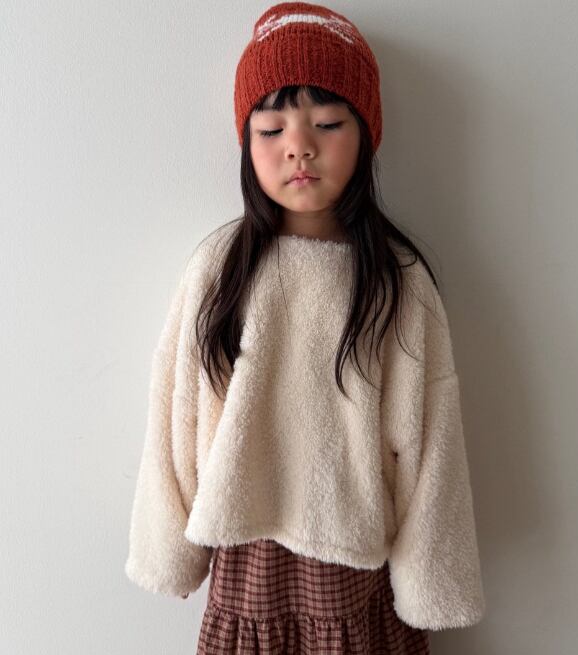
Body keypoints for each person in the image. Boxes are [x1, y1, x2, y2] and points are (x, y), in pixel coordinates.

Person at [125, 2, 486, 652]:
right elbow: (176, 410)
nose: (299, 145)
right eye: (272, 128)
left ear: (365, 135)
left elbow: (432, 440)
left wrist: (430, 580)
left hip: (358, 569)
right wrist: (169, 549)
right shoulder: (220, 269)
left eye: (327, 122)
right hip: (246, 565)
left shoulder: (395, 281)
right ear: (246, 141)